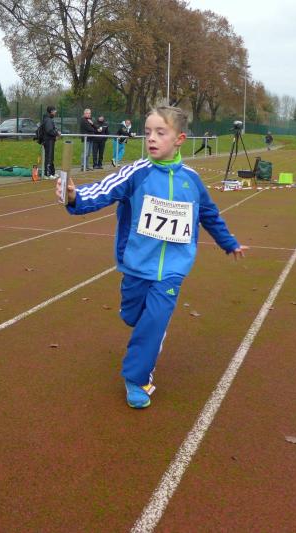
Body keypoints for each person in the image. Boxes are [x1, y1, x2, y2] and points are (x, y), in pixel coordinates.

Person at [56, 106, 247, 409]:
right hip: (136, 265)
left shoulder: (192, 180)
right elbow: (104, 191)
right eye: (147, 133)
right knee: (133, 317)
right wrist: (75, 197)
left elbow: (209, 214)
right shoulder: (137, 173)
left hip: (173, 269)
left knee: (154, 321)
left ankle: (136, 379)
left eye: (160, 132)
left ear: (179, 139)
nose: (152, 139)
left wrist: (229, 243)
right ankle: (145, 327)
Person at [41, 106, 61, 178]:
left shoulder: (49, 119)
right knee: (49, 157)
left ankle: (52, 173)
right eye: (55, 111)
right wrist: (57, 133)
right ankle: (48, 174)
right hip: (48, 140)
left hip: (50, 140)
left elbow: (51, 129)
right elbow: (49, 130)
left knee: (51, 157)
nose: (55, 112)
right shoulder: (48, 120)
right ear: (51, 111)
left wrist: (55, 132)